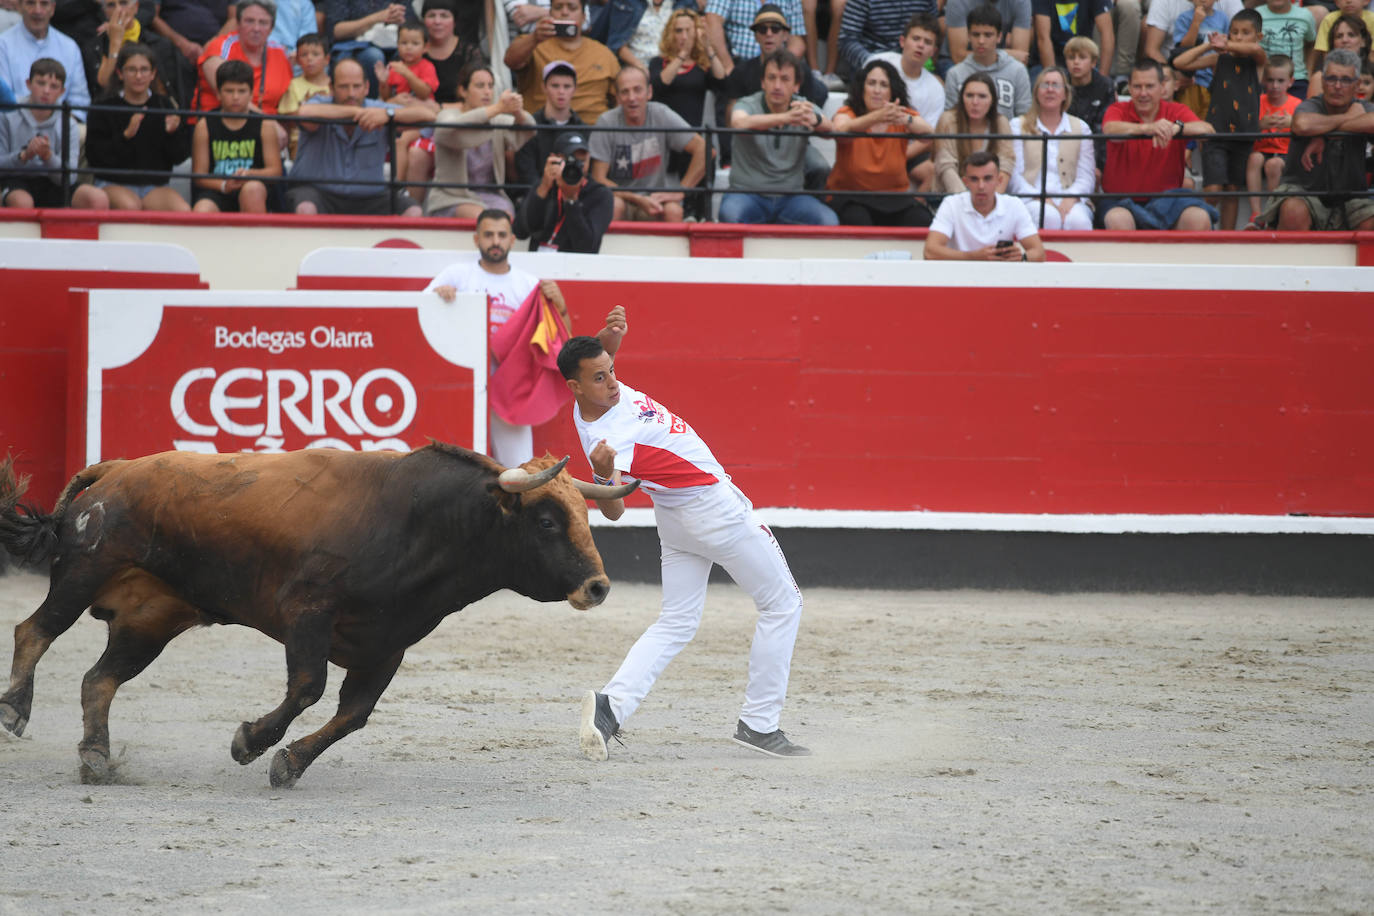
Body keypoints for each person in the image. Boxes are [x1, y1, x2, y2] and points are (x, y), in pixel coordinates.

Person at [560, 306, 810, 761]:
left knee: (676, 622)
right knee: (783, 604)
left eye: (612, 371)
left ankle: (609, 708)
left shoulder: (593, 401)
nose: (613, 382)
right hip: (714, 510)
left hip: (675, 519)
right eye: (600, 378)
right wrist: (601, 477)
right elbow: (614, 511)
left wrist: (609, 336)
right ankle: (760, 724)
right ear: (576, 387)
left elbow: (599, 361)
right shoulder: (610, 437)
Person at [426, 208, 572, 468]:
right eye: (489, 235)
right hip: (462, 383)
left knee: (520, 469)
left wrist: (560, 307)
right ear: (476, 239)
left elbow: (560, 340)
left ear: (512, 240)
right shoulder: (455, 276)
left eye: (502, 235)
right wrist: (438, 297)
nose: (495, 241)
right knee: (460, 470)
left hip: (512, 388)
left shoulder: (529, 284)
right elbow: (421, 315)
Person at [286, 57, 429, 216]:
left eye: (356, 86)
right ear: (331, 88)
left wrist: (389, 115)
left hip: (371, 198)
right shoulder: (320, 103)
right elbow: (304, 113)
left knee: (413, 210)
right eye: (343, 87)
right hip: (318, 193)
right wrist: (358, 113)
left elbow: (428, 116)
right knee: (306, 208)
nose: (351, 93)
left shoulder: (379, 110)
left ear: (367, 88)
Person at [720, 49, 838, 225]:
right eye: (771, 78)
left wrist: (817, 120)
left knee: (829, 222)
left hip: (791, 198)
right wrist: (785, 118)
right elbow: (738, 122)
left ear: (796, 85)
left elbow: (832, 129)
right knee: (729, 216)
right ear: (763, 82)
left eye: (784, 79)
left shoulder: (802, 106)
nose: (777, 86)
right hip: (747, 193)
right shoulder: (747, 103)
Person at [1174, 8, 1266, 229]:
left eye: (1245, 32)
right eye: (1234, 32)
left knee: (1232, 191)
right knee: (1213, 189)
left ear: (1258, 36)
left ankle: (1227, 237)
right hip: (1216, 132)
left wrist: (1227, 43)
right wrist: (1208, 45)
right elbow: (1180, 63)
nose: (1239, 36)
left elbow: (1253, 48)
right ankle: (1201, 229)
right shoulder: (1218, 59)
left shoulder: (1258, 60)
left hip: (1244, 134)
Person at [1263, 48, 1374, 229]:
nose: (1337, 86)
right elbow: (1302, 125)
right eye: (1331, 78)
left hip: (1352, 198)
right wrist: (1348, 119)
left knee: (1371, 220)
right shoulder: (1310, 105)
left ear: (1357, 84)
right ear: (1322, 81)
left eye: (1345, 80)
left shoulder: (1364, 107)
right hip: (1303, 192)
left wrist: (1324, 132)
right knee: (1293, 210)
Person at [1100, 59, 1218, 230]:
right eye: (1137, 86)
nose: (1143, 93)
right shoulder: (1118, 109)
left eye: (1149, 86)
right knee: (1118, 220)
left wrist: (1177, 127)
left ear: (1162, 87)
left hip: (1170, 199)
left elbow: (1207, 131)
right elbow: (1110, 129)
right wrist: (1149, 128)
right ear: (1129, 88)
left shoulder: (1176, 111)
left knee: (1198, 218)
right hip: (1120, 199)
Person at [588, 65, 706, 221]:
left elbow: (705, 149)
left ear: (649, 92)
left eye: (638, 90)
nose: (632, 98)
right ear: (617, 97)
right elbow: (598, 179)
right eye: (625, 92)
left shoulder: (661, 114)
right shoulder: (606, 121)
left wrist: (681, 190)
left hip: (655, 198)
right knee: (614, 205)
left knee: (674, 210)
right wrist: (636, 198)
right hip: (621, 198)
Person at [826, 58, 934, 226]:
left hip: (893, 198)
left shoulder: (899, 115)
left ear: (892, 92)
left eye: (884, 85)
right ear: (862, 88)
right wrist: (876, 117)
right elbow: (839, 130)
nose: (877, 90)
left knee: (922, 220)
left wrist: (906, 119)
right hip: (851, 197)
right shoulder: (848, 112)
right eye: (871, 83)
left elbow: (929, 134)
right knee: (858, 220)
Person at [85, 42, 191, 211]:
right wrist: (126, 135)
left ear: (153, 74)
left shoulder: (164, 105)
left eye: (144, 70)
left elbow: (179, 157)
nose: (139, 76)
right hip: (112, 182)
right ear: (120, 73)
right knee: (130, 206)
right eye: (132, 70)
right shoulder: (103, 106)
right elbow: (95, 157)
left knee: (182, 210)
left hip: (154, 186)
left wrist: (173, 133)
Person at [428, 65, 535, 218]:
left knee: (505, 217)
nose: (487, 91)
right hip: (451, 197)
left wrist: (517, 111)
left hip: (490, 196)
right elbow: (449, 129)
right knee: (483, 217)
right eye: (480, 86)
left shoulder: (497, 118)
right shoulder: (447, 115)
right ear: (463, 91)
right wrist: (498, 108)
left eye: (490, 86)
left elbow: (530, 129)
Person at [0, 58, 109, 207]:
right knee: (22, 202)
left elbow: (69, 178)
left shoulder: (68, 123)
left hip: (54, 183)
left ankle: (75, 232)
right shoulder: (7, 117)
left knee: (97, 198)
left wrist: (48, 157)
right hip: (17, 181)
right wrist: (23, 156)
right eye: (41, 83)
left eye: (53, 86)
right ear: (28, 84)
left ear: (62, 91)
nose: (46, 91)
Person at [1009, 66, 1095, 230]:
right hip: (1030, 199)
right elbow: (1014, 175)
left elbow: (1086, 176)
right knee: (1047, 217)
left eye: (1055, 85)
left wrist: (1070, 199)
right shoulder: (1017, 126)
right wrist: (1040, 197)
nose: (1050, 90)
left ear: (1065, 94)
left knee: (1079, 222)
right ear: (1036, 92)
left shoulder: (1081, 127)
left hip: (1071, 198)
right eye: (1044, 85)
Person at [191, 59, 282, 212]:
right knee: (202, 210)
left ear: (251, 93)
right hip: (217, 190)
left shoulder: (264, 124)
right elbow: (199, 176)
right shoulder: (204, 125)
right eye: (229, 91)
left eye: (241, 91)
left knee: (252, 190)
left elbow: (275, 171)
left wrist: (248, 174)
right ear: (218, 93)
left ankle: (256, 236)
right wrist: (224, 185)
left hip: (253, 186)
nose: (235, 97)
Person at [507, 0, 619, 122]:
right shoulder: (534, 44)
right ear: (550, 13)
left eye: (572, 8)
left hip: (592, 134)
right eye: (558, 7)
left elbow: (620, 98)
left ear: (584, 16)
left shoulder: (603, 54)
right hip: (541, 132)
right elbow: (510, 61)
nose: (565, 13)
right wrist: (534, 38)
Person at [869, 12, 944, 191]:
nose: (920, 45)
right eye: (916, 38)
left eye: (927, 42)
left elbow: (929, 137)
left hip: (906, 151)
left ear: (933, 51)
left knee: (932, 171)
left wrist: (897, 157)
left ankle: (915, 212)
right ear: (903, 41)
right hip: (870, 141)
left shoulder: (935, 88)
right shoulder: (878, 63)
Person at [925, 150, 1046, 258]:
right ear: (965, 182)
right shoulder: (951, 204)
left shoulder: (1014, 204)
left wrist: (1021, 258)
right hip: (961, 278)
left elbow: (1039, 253)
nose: (981, 186)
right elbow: (930, 252)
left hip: (1000, 278)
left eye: (987, 178)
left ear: (999, 180)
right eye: (974, 179)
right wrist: (973, 256)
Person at [514, 129, 615, 250]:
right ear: (553, 158)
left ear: (589, 160)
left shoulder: (600, 195)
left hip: (576, 266)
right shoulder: (545, 185)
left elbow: (587, 247)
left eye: (581, 161)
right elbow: (520, 232)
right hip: (539, 262)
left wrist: (571, 200)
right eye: (570, 160)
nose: (576, 167)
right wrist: (543, 189)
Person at [0, 0, 92, 121]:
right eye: (30, 3)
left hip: (61, 129)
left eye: (44, 4)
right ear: (20, 7)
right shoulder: (3, 45)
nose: (37, 11)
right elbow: (4, 100)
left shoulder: (70, 47)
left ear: (52, 9)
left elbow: (79, 103)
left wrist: (55, 127)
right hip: (14, 128)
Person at [195, 0, 292, 114]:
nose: (256, 28)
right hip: (220, 123)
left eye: (263, 23)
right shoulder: (220, 47)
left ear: (271, 28)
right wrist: (271, 125)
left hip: (272, 126)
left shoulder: (279, 52)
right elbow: (234, 101)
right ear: (238, 24)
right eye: (249, 21)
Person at [83, 0, 186, 107]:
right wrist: (115, 42)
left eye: (123, 3)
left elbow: (169, 91)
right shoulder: (96, 46)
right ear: (104, 11)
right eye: (111, 5)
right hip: (112, 114)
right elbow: (104, 84)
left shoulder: (159, 44)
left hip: (152, 111)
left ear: (136, 7)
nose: (118, 10)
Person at [944, 4, 1031, 121]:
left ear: (999, 36)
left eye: (988, 35)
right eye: (976, 35)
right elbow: (950, 120)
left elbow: (1025, 118)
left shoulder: (1018, 71)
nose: (981, 41)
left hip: (1007, 137)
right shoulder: (955, 74)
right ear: (968, 36)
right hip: (965, 137)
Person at [934, 72, 1014, 193]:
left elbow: (1006, 163)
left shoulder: (1001, 122)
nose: (975, 102)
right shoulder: (948, 120)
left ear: (992, 100)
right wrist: (966, 201)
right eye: (969, 95)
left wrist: (993, 198)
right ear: (962, 98)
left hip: (990, 195)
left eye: (982, 96)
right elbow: (945, 166)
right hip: (951, 195)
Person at [513, 59, 586, 189]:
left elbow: (587, 174)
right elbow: (526, 173)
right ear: (544, 87)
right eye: (555, 86)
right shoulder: (530, 126)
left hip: (574, 193)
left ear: (575, 89)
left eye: (567, 86)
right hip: (538, 196)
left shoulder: (583, 129)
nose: (561, 92)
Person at [649, 7, 727, 128]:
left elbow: (722, 81)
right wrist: (683, 53)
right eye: (679, 31)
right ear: (671, 34)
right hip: (663, 133)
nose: (684, 37)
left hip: (691, 135)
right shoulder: (658, 62)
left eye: (689, 31)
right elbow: (659, 85)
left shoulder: (701, 65)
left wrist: (709, 48)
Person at [1247, 53, 1300, 226]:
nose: (1274, 86)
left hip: (1286, 155)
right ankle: (1255, 213)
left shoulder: (1298, 104)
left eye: (1280, 81)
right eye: (1270, 80)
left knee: (1274, 164)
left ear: (1290, 82)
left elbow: (1306, 129)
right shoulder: (1256, 101)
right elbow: (1245, 129)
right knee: (1255, 157)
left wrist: (1293, 124)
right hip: (1261, 152)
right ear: (1263, 80)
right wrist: (1260, 124)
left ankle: (1270, 213)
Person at [325, 0, 412, 98]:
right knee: (374, 56)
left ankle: (399, 102)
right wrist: (376, 18)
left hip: (392, 43)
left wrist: (398, 18)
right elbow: (335, 31)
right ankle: (370, 103)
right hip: (353, 46)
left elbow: (412, 24)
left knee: (409, 51)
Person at [835, 0, 941, 77]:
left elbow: (931, 32)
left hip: (913, 63)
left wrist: (925, 70)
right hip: (871, 59)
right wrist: (872, 62)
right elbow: (847, 40)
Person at [704, 0, 806, 71]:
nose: (769, 33)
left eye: (774, 29)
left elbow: (797, 41)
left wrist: (783, 69)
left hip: (778, 67)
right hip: (736, 65)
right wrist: (729, 68)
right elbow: (712, 22)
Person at [422, 0, 487, 108]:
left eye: (444, 16)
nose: (437, 21)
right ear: (423, 20)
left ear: (455, 21)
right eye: (431, 15)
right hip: (419, 116)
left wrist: (440, 107)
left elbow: (479, 100)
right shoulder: (413, 51)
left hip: (460, 117)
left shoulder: (469, 52)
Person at [1064, 35, 1116, 171]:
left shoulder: (1105, 86)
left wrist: (1096, 166)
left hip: (1096, 150)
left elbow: (1102, 130)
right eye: (1071, 58)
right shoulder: (1060, 84)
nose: (1076, 62)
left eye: (1082, 57)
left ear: (1093, 62)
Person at [276, 32, 330, 157]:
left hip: (330, 139)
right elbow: (289, 118)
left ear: (327, 59)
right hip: (301, 141)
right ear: (298, 61)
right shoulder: (293, 85)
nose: (309, 59)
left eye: (315, 54)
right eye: (304, 55)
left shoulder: (334, 86)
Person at [944, 0, 1032, 69]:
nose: (981, 41)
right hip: (955, 62)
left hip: (1000, 62)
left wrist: (997, 56)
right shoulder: (958, 1)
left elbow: (1021, 57)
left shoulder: (1021, 1)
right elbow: (958, 57)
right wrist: (1005, 54)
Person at [1034, 0, 1114, 73]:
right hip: (1047, 62)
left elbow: (1107, 34)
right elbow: (1043, 38)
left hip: (1083, 59)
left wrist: (1103, 79)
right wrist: (1054, 77)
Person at [1256, 0, 1316, 98]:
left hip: (1297, 79)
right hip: (1265, 80)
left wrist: (1309, 71)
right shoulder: (1256, 15)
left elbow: (1312, 43)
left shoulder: (1305, 16)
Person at [1308, 14, 1371, 97]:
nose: (1344, 40)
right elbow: (1312, 109)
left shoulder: (1371, 73)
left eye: (1351, 35)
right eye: (1339, 36)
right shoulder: (1319, 78)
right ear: (1333, 43)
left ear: (1363, 41)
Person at [377, 21, 439, 101]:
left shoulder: (427, 67)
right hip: (397, 109)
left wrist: (406, 73)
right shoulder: (393, 68)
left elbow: (424, 94)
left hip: (420, 108)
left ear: (425, 47)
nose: (408, 47)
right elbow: (386, 98)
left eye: (415, 43)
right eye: (404, 43)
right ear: (397, 45)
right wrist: (383, 83)